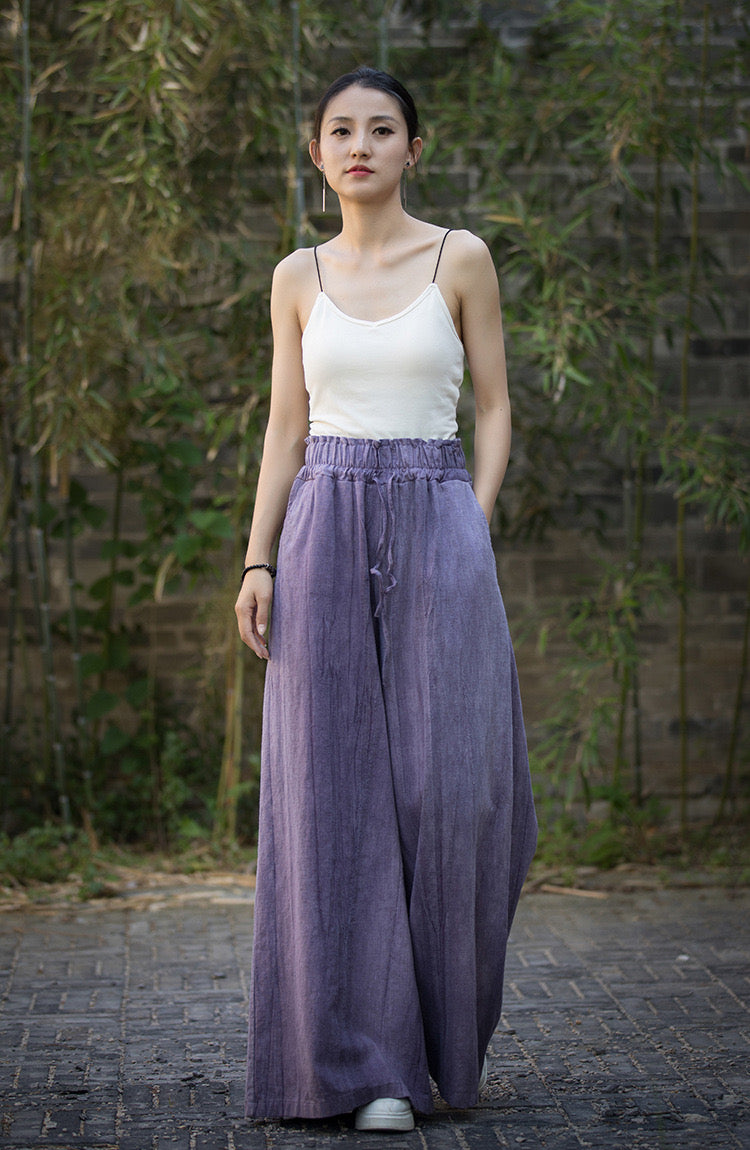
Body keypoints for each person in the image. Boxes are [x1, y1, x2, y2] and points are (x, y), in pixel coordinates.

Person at [236, 66, 537, 1133]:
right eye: (340, 130)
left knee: (454, 795)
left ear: (415, 147)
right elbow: (286, 427)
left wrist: (472, 521)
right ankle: (367, 1070)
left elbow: (493, 405)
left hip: (437, 510)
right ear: (317, 152)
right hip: (322, 520)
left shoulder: (461, 257)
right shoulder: (296, 276)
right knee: (330, 795)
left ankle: (439, 1044)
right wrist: (258, 560)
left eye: (381, 128)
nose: (359, 145)